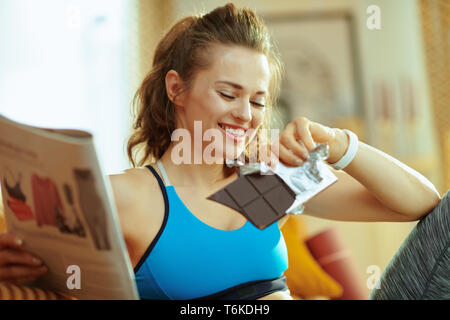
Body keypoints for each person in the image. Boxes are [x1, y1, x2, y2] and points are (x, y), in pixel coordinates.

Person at [0, 3, 443, 300]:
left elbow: (424, 206)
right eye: (228, 93)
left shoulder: (263, 182)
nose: (245, 115)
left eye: (257, 100)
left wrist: (340, 144)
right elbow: (58, 277)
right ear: (177, 88)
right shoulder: (128, 198)